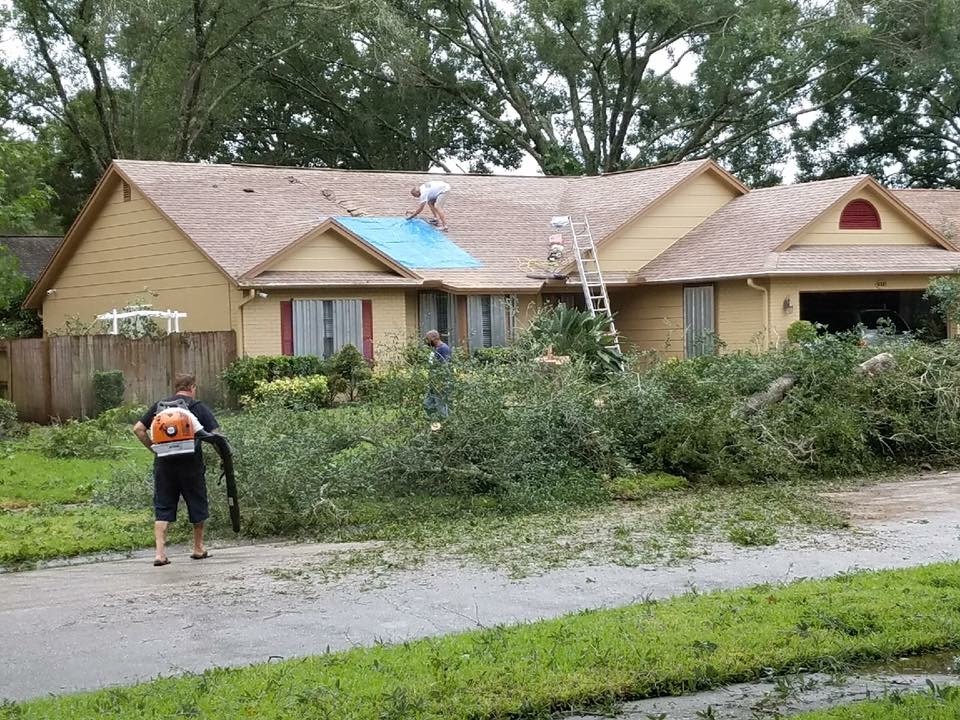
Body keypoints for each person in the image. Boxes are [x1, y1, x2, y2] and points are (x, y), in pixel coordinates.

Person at [133, 373, 220, 567]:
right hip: (191, 465)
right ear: (192, 387)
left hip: (164, 465)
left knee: (163, 507)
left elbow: (138, 429)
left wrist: (154, 449)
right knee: (197, 504)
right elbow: (215, 436)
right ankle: (198, 548)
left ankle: (160, 554)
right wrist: (224, 457)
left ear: (176, 388)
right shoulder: (197, 407)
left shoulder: (160, 406)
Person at [423, 329, 452, 422]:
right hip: (433, 383)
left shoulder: (444, 349)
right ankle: (435, 424)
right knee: (427, 404)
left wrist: (440, 383)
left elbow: (443, 367)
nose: (427, 342)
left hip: (441, 382)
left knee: (441, 406)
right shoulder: (436, 349)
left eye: (428, 339)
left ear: (434, 338)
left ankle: (445, 424)